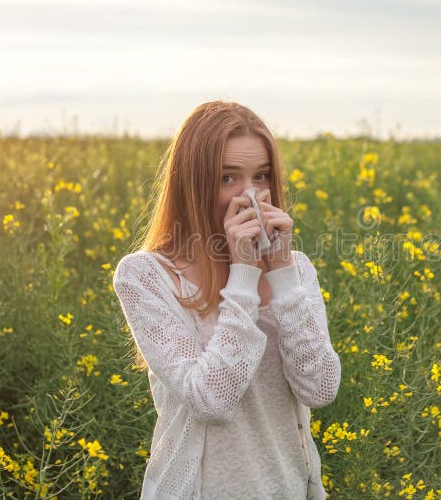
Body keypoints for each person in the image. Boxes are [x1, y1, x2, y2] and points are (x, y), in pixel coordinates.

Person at [112, 101, 341, 499]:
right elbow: (211, 399)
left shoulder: (296, 270)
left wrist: (282, 271)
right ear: (192, 183)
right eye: (227, 178)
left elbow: (320, 389)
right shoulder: (146, 276)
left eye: (261, 176)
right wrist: (245, 274)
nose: (250, 196)